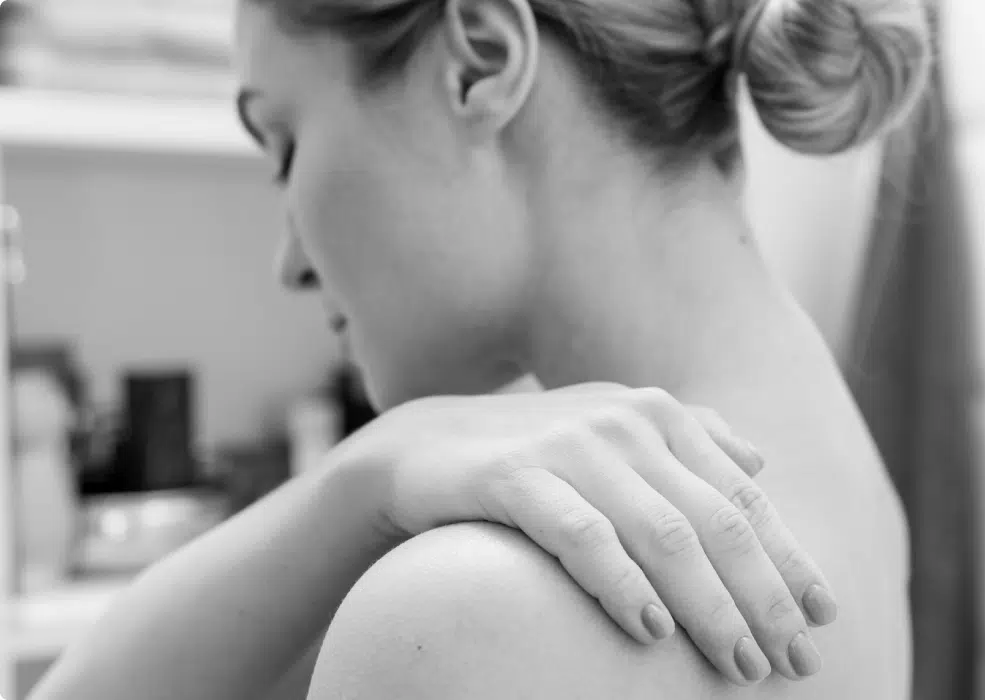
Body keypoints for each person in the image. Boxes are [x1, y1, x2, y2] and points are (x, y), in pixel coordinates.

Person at [32, 0, 930, 696]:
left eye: (286, 141)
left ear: (480, 61)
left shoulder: (469, 611)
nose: (290, 262)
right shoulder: (848, 473)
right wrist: (371, 472)